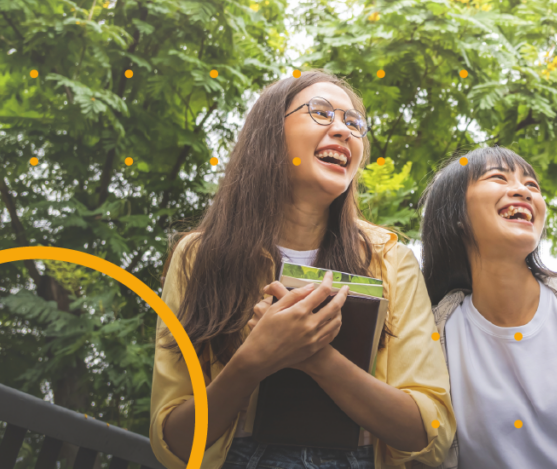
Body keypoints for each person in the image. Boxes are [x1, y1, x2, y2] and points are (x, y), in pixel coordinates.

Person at [149, 70, 454, 469]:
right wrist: (253, 361)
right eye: (322, 113)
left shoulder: (391, 258)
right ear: (270, 133)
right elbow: (173, 443)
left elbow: (429, 432)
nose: (343, 131)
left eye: (354, 123)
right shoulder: (198, 254)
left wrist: (315, 358)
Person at [418, 146, 557, 469]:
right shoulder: (431, 334)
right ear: (455, 215)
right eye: (498, 177)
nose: (523, 191)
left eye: (532, 186)